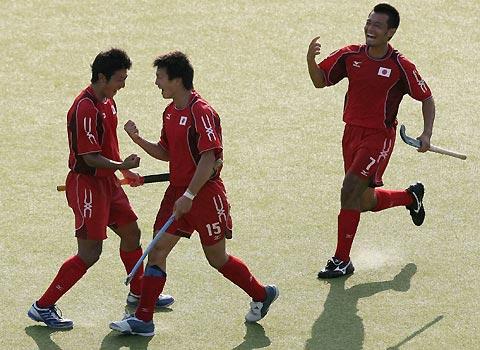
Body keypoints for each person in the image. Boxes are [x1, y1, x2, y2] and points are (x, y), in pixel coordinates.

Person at [109, 51, 279, 336]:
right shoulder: (170, 111)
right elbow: (167, 152)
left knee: (217, 259)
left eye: (160, 77)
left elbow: (209, 158)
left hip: (204, 197)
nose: (156, 83)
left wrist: (188, 195)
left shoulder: (201, 112)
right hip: (177, 194)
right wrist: (137, 138)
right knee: (158, 251)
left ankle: (262, 294)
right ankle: (144, 319)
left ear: (176, 79)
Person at [28, 48, 174, 329]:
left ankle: (139, 292)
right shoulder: (85, 108)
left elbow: (107, 146)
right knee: (89, 253)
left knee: (131, 231)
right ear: (102, 77)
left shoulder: (108, 102)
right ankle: (43, 306)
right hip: (87, 187)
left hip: (108, 182)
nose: (123, 85)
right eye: (120, 79)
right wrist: (121, 164)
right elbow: (89, 158)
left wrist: (125, 170)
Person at [306, 3, 435, 278]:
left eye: (377, 25)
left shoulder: (401, 65)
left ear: (391, 32)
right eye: (368, 22)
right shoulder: (350, 55)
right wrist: (310, 61)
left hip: (379, 138)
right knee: (361, 200)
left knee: (349, 189)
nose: (370, 28)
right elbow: (320, 81)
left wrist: (426, 134)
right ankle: (410, 197)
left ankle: (341, 260)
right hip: (351, 134)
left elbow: (426, 98)